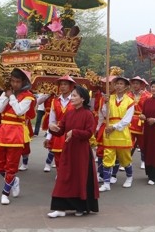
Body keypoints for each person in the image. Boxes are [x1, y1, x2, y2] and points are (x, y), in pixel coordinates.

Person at [47, 85, 99, 218]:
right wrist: (53, 128)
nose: (72, 98)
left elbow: (89, 133)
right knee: (63, 177)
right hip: (68, 149)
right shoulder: (69, 113)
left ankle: (80, 207)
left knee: (80, 178)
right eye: (72, 95)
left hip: (81, 152)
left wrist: (74, 132)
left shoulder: (88, 114)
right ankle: (60, 208)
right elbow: (61, 130)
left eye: (75, 95)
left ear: (82, 99)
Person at [0, 68, 35, 205]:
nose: (15, 84)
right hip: (3, 130)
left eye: (17, 82)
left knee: (11, 165)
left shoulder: (28, 96)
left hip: (16, 132)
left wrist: (11, 96)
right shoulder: (6, 93)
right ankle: (13, 180)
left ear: (23, 82)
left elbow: (19, 111)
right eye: (12, 81)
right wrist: (6, 96)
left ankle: (5, 193)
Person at [99, 76, 134, 192]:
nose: (118, 86)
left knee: (125, 158)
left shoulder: (130, 101)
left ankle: (129, 178)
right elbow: (105, 113)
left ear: (126, 87)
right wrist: (105, 103)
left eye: (121, 84)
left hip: (121, 133)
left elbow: (127, 120)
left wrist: (113, 127)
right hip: (109, 131)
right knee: (108, 157)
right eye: (117, 84)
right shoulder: (110, 98)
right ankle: (106, 183)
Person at [43, 76, 76, 173]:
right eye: (61, 84)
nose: (63, 87)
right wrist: (48, 137)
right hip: (58, 132)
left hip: (71, 131)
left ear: (70, 86)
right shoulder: (55, 101)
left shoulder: (75, 100)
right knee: (58, 157)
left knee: (70, 157)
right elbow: (51, 121)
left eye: (65, 84)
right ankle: (60, 174)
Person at [127, 76, 150, 169]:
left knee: (142, 143)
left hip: (142, 121)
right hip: (131, 120)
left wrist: (146, 117)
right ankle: (127, 161)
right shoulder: (128, 95)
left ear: (141, 85)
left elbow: (149, 108)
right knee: (129, 142)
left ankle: (143, 161)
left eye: (137, 83)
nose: (135, 85)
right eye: (134, 83)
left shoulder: (147, 95)